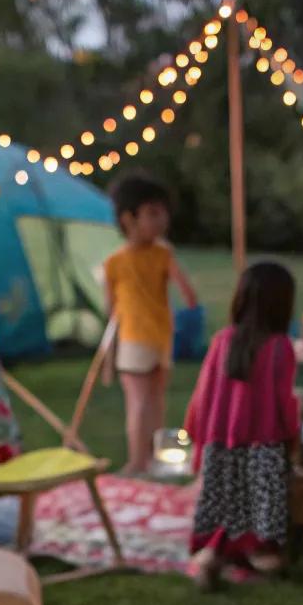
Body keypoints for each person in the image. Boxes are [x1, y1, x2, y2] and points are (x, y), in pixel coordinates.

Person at [184, 259, 300, 590]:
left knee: (228, 510)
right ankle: (242, 556)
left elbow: (202, 396)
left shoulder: (223, 340)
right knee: (265, 539)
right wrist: (293, 440)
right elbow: (284, 405)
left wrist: (199, 441)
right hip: (264, 455)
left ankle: (215, 555)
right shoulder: (280, 348)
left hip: (220, 451)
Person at [103, 174, 199, 475]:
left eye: (163, 213)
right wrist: (109, 358)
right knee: (144, 402)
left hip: (157, 338)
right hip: (135, 339)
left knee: (150, 401)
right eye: (153, 213)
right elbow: (112, 315)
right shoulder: (117, 263)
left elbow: (188, 295)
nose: (162, 220)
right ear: (128, 219)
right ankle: (139, 459)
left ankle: (148, 460)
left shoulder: (159, 254)